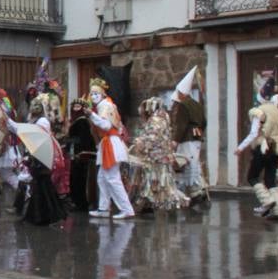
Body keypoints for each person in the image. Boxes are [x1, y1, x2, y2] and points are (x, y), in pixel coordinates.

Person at [235, 77, 278, 220]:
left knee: (252, 177)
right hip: (276, 148)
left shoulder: (258, 111)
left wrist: (240, 148)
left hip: (262, 148)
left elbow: (253, 133)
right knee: (270, 180)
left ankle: (267, 201)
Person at [129, 97, 189, 214]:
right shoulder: (163, 118)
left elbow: (152, 138)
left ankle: (160, 203)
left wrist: (140, 142)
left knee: (155, 181)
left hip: (155, 158)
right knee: (159, 182)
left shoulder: (155, 120)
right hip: (161, 157)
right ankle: (152, 203)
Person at [86, 77, 135, 220]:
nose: (93, 97)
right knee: (102, 177)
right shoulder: (106, 104)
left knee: (112, 178)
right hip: (108, 143)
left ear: (102, 94)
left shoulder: (105, 106)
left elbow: (106, 126)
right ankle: (103, 208)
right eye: (92, 94)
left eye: (96, 94)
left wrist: (92, 115)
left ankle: (126, 209)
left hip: (111, 144)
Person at [13, 99, 67, 226]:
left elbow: (40, 136)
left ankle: (45, 215)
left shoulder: (42, 121)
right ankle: (37, 214)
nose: (34, 107)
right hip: (33, 153)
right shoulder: (32, 119)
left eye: (37, 105)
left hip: (41, 154)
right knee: (39, 185)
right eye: (32, 105)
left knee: (42, 184)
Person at [170, 67, 207, 205]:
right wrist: (199, 132)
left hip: (187, 138)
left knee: (185, 163)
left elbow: (181, 125)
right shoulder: (197, 104)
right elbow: (204, 122)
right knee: (194, 162)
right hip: (197, 137)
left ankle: (192, 191)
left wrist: (175, 140)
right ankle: (198, 190)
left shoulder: (183, 105)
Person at [63, 98, 97, 212]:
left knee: (79, 179)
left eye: (78, 106)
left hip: (80, 155)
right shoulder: (75, 120)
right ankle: (77, 202)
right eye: (74, 106)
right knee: (75, 178)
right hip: (75, 153)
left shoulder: (82, 121)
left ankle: (81, 203)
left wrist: (68, 141)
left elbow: (83, 139)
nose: (75, 108)